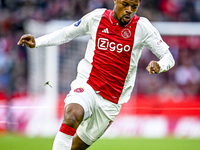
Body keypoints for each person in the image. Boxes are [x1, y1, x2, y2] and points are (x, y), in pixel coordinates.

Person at [17, 0, 175, 149]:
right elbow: (67, 33)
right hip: (88, 85)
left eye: (134, 7)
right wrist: (37, 42)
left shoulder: (142, 27)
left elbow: (168, 57)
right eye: (125, 4)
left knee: (75, 147)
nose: (129, 10)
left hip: (111, 102)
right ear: (115, 1)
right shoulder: (96, 18)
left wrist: (160, 65)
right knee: (72, 115)